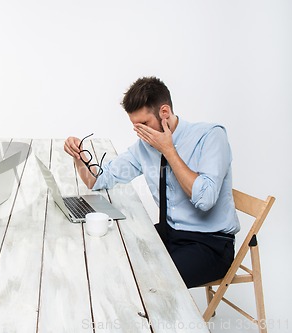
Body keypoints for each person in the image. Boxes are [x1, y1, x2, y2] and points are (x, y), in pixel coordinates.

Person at [64, 76, 240, 288]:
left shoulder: (211, 136)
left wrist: (168, 149)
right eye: (135, 126)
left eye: (144, 124)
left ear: (164, 113)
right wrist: (79, 156)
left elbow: (205, 199)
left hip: (210, 243)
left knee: (152, 282)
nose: (140, 131)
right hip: (170, 235)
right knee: (115, 259)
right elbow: (98, 179)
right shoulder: (144, 147)